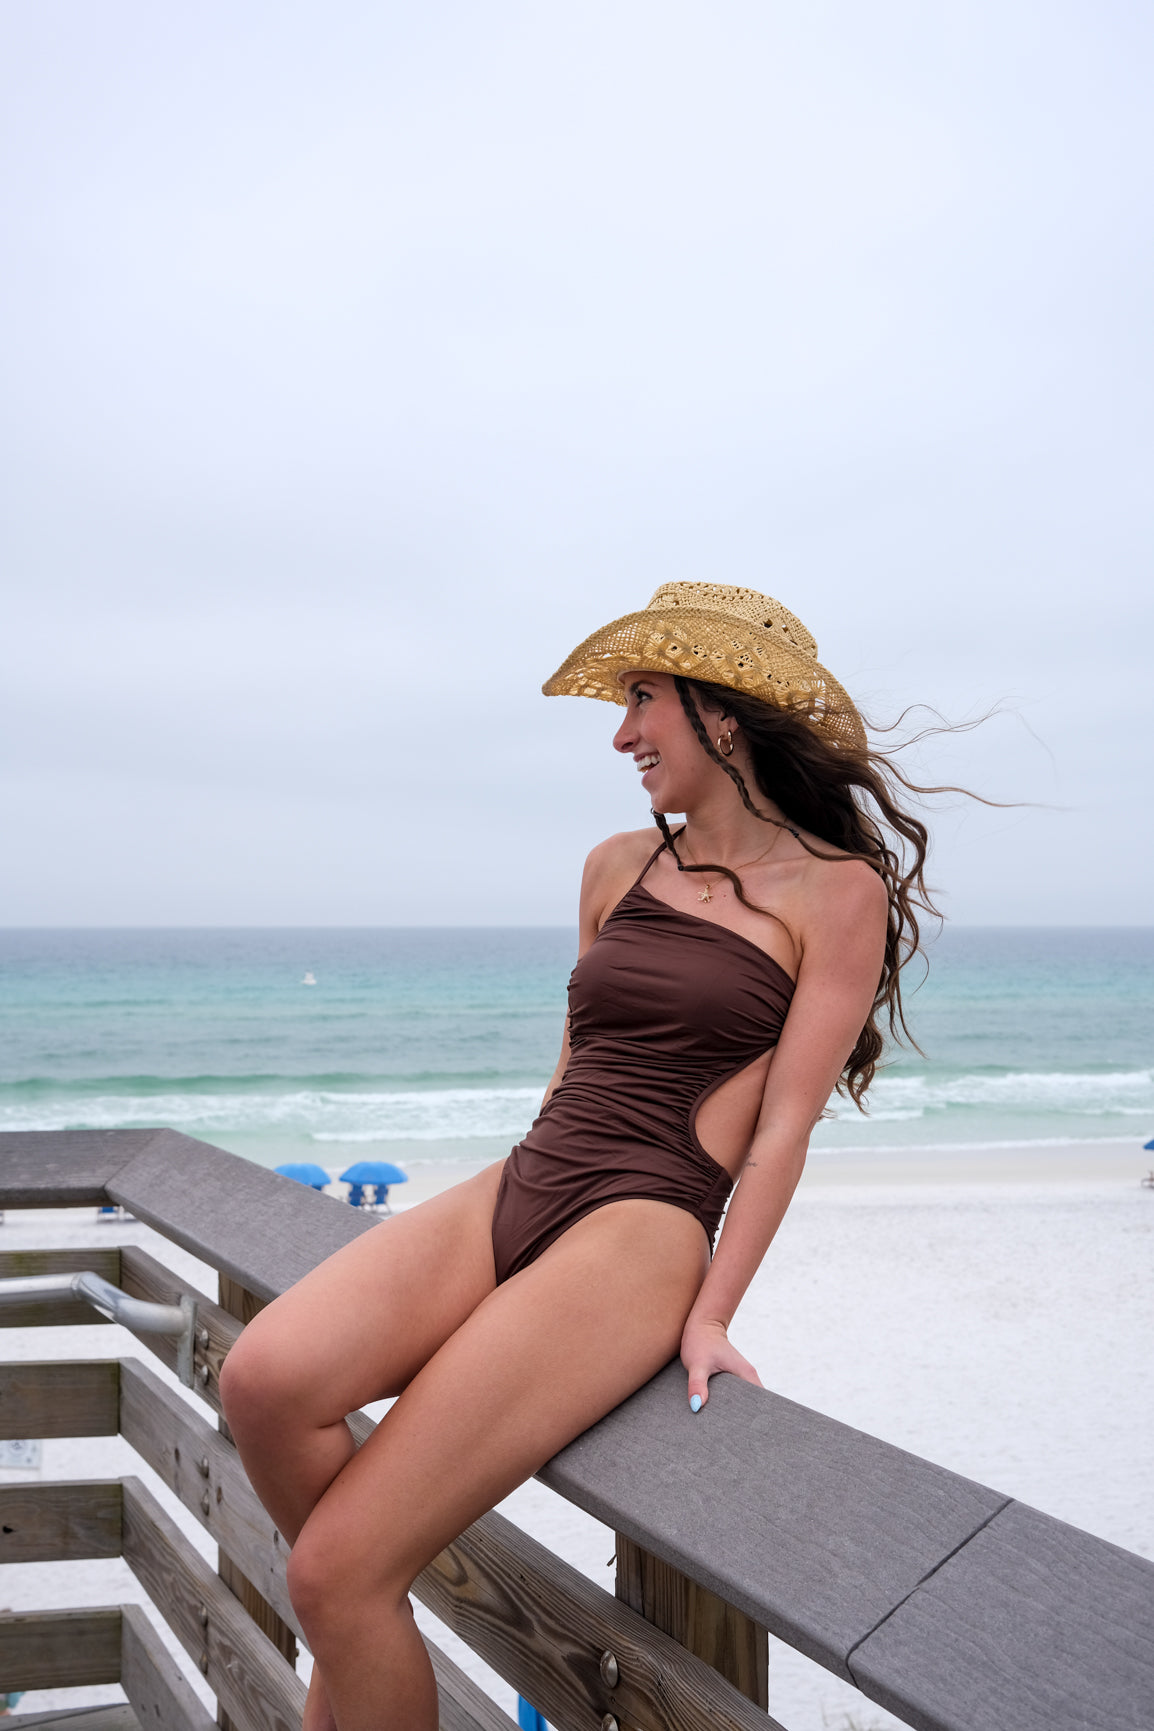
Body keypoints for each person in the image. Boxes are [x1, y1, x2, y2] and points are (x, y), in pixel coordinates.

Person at [220, 581, 933, 1731]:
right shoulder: (615, 867)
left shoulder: (833, 891)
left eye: (641, 700)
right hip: (529, 1176)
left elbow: (784, 1127)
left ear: (722, 714)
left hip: (641, 1227)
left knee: (332, 1573)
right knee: (262, 1382)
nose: (620, 734)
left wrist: (710, 1309)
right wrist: (500, 1215)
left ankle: (350, 1616)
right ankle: (360, 1631)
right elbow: (573, 1064)